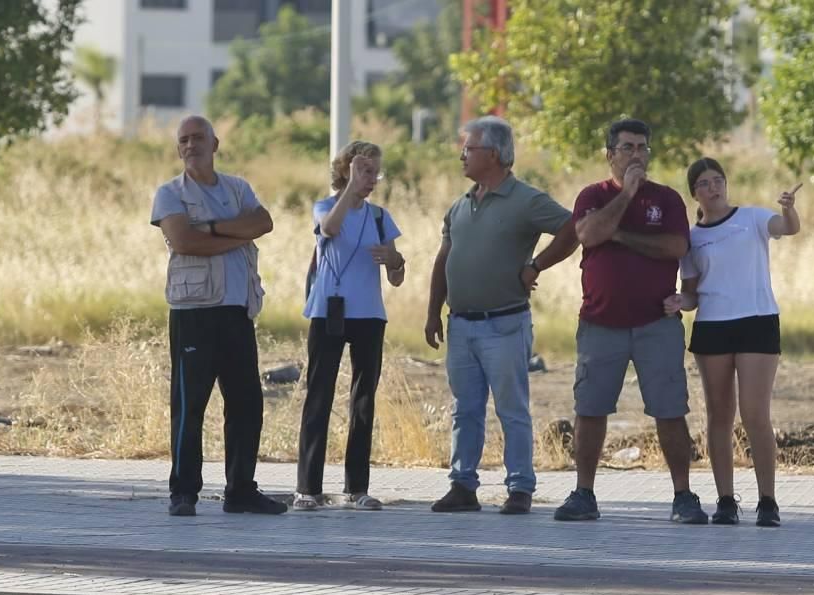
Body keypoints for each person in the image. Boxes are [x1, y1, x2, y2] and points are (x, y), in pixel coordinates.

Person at [553, 118, 709, 524]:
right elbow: (589, 234)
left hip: (657, 324)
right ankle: (584, 493)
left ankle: (683, 496)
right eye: (628, 148)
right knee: (590, 408)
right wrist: (626, 195)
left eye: (643, 148)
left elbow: (675, 246)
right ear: (610, 155)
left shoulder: (667, 199)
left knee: (670, 410)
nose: (637, 155)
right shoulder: (592, 195)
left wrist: (621, 236)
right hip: (600, 323)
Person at [424, 115, 579, 515]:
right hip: (461, 325)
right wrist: (433, 312)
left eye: (468, 148)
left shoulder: (526, 200)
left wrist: (536, 265)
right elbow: (444, 259)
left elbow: (572, 228)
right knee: (465, 409)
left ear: (493, 154)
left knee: (511, 408)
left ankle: (520, 488)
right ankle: (462, 485)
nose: (462, 155)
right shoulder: (460, 206)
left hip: (505, 324)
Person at [150, 115, 286, 517]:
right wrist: (234, 234)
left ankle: (241, 490)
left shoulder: (237, 188)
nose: (191, 145)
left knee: (246, 404)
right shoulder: (170, 194)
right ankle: (183, 492)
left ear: (215, 144)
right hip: (193, 312)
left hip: (237, 311)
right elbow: (184, 241)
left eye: (198, 138)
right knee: (190, 405)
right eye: (184, 140)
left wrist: (210, 228)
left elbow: (263, 222)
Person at [665, 158, 802, 526]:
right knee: (719, 416)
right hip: (713, 327)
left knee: (755, 414)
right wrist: (679, 301)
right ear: (694, 193)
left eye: (718, 180)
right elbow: (691, 293)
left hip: (757, 320)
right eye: (705, 183)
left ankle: (768, 501)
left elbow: (788, 228)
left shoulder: (753, 218)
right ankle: (725, 500)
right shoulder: (692, 239)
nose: (714, 188)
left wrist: (788, 209)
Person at [294, 141, 405, 511]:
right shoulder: (326, 206)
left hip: (369, 315)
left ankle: (357, 487)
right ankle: (307, 488)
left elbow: (396, 278)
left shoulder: (380, 218)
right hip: (328, 312)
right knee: (319, 396)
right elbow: (328, 229)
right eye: (364, 171)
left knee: (363, 400)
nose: (371, 179)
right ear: (345, 170)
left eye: (375, 172)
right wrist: (350, 190)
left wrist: (395, 260)